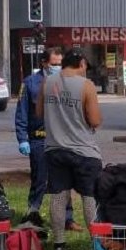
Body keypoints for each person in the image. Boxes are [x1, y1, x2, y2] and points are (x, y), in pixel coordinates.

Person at [38, 47, 103, 250]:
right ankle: (97, 244)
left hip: (55, 149)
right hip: (84, 151)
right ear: (82, 64)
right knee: (89, 197)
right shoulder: (86, 86)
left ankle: (59, 244)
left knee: (58, 196)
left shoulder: (47, 83)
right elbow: (94, 120)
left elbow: (39, 112)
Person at [14, 46, 78, 231]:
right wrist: (22, 139)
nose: (57, 67)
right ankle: (33, 213)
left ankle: (68, 218)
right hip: (39, 139)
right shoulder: (31, 83)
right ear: (43, 63)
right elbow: (22, 113)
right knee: (39, 179)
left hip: (62, 140)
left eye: (60, 64)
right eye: (54, 64)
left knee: (65, 180)